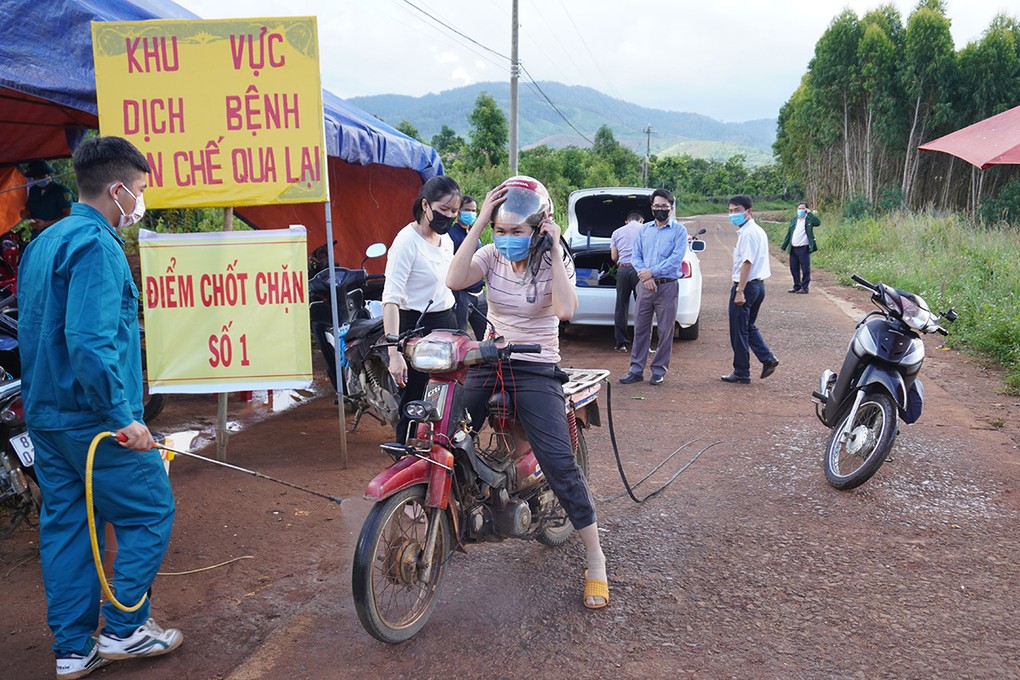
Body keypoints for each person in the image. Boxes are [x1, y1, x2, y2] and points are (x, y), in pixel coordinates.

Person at [18, 136, 181, 680]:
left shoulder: (46, 241)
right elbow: (89, 341)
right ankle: (124, 629)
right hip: (94, 423)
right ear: (117, 190)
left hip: (46, 418)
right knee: (150, 511)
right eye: (140, 189)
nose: (141, 200)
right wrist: (122, 417)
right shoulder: (97, 246)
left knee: (66, 526)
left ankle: (72, 650)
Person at [447, 175, 609, 610]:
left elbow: (566, 310)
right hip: (490, 359)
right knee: (445, 435)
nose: (507, 239)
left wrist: (554, 250)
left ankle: (596, 560)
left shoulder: (554, 258)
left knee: (560, 464)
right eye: (500, 230)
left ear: (538, 228)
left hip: (536, 368)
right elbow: (454, 279)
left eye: (516, 231)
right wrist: (481, 220)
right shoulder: (489, 255)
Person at [383, 175, 460, 444]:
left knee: (449, 395)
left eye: (454, 211)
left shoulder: (446, 240)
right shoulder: (406, 242)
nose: (449, 216)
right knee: (415, 399)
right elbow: (391, 300)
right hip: (414, 328)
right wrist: (394, 353)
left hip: (447, 324)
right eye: (444, 209)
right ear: (425, 205)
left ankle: (444, 452)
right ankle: (405, 455)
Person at [619, 189, 688, 387]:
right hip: (645, 287)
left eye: (664, 207)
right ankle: (636, 370)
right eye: (657, 206)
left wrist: (652, 272)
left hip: (667, 286)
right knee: (640, 329)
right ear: (651, 208)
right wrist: (645, 275)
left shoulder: (679, 231)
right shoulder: (644, 230)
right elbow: (636, 256)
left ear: (671, 209)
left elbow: (675, 258)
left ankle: (658, 370)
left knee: (665, 331)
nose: (660, 210)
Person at [722, 194, 780, 385]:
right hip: (758, 286)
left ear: (748, 211)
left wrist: (740, 291)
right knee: (748, 326)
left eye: (737, 210)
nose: (733, 214)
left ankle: (741, 372)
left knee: (738, 330)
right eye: (730, 211)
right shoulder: (757, 230)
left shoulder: (748, 234)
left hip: (746, 286)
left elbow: (747, 263)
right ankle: (767, 358)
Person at [449, 194, 489, 340]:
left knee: (485, 336)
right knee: (459, 337)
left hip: (479, 293)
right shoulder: (452, 235)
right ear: (458, 211)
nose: (471, 213)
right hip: (462, 295)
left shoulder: (473, 234)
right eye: (467, 210)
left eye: (473, 210)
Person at [610, 210, 645, 352]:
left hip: (623, 270)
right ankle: (642, 344)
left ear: (626, 221)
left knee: (621, 306)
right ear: (641, 220)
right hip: (640, 271)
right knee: (642, 307)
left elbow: (613, 257)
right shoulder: (646, 230)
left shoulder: (616, 232)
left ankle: (622, 343)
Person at [21, 159, 73, 241]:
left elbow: (68, 215)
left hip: (57, 235)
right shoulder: (33, 191)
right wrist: (26, 214)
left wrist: (45, 224)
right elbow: (30, 210)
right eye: (35, 177)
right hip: (37, 236)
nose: (38, 179)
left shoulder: (61, 191)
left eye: (41, 176)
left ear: (49, 175)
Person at [780, 201, 821, 294]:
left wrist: (810, 213)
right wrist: (784, 246)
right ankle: (797, 286)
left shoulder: (809, 220)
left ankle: (804, 287)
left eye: (803, 208)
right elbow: (789, 234)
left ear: (806, 210)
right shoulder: (794, 220)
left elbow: (818, 222)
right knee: (794, 269)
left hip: (804, 248)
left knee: (805, 269)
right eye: (799, 208)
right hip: (793, 248)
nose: (800, 210)